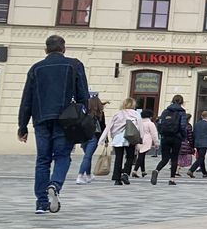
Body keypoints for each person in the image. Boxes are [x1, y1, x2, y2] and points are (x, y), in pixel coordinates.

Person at [17, 34, 90, 214]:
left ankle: (41, 203)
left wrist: (22, 125)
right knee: (62, 155)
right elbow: (83, 95)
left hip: (41, 119)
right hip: (65, 119)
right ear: (64, 49)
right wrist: (83, 117)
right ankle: (55, 184)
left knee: (43, 160)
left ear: (45, 50)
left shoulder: (36, 68)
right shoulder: (74, 65)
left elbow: (27, 99)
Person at [99, 97, 141, 185]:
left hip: (118, 138)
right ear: (133, 105)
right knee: (130, 157)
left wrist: (102, 139)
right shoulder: (136, 114)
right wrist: (140, 139)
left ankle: (117, 178)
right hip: (130, 137)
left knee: (119, 157)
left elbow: (108, 127)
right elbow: (140, 127)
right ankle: (125, 173)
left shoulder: (117, 114)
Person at [151, 94, 191, 186]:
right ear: (182, 102)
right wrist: (183, 137)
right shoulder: (182, 112)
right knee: (174, 158)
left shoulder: (165, 111)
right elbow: (183, 126)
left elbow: (159, 123)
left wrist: (161, 133)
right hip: (176, 137)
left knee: (165, 158)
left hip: (165, 137)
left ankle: (156, 170)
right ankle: (172, 179)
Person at [75, 96, 107, 184]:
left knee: (87, 157)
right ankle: (80, 176)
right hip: (93, 137)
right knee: (87, 157)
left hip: (84, 137)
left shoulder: (84, 112)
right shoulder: (100, 114)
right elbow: (103, 127)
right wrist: (105, 139)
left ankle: (88, 176)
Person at [188, 110, 207, 178]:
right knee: (201, 158)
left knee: (201, 157)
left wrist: (193, 143)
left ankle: (204, 173)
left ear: (201, 116)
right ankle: (191, 170)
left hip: (197, 143)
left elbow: (194, 134)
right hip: (205, 143)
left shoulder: (197, 124)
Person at [132, 109, 158, 178]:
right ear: (150, 116)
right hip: (146, 140)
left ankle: (143, 171)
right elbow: (154, 134)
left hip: (139, 140)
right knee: (141, 156)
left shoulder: (139, 123)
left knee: (141, 155)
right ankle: (135, 170)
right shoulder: (150, 124)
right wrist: (156, 143)